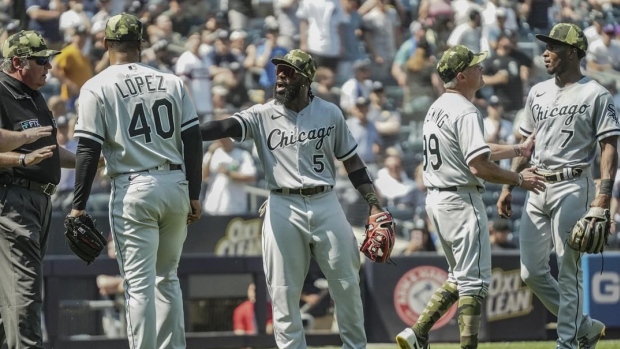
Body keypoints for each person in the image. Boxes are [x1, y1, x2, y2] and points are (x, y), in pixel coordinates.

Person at [200, 48, 385, 349]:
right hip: (282, 204)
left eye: (289, 72)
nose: (281, 77)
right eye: (279, 71)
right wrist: (188, 131)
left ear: (306, 79)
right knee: (283, 293)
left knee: (347, 284)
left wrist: (374, 204)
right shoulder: (262, 114)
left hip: (325, 200)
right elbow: (225, 126)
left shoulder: (330, 112)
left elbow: (352, 162)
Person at [395, 45, 547, 349]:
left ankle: (418, 331)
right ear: (462, 75)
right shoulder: (465, 110)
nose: (482, 69)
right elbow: (478, 165)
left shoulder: (438, 107)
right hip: (460, 200)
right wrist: (518, 178)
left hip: (438, 199)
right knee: (474, 282)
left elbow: (475, 150)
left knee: (460, 275)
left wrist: (518, 150)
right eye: (476, 65)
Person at [67, 13, 203, 349]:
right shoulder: (171, 81)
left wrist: (78, 205)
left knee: (139, 285)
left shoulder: (96, 86)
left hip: (134, 187)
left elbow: (87, 150)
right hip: (176, 185)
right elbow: (194, 140)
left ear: (105, 44)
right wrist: (195, 194)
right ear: (140, 44)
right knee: (167, 279)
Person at [497, 23, 619, 349]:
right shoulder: (537, 91)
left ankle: (567, 343)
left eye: (553, 47)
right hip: (536, 184)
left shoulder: (596, 93)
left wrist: (603, 199)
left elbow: (609, 145)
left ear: (573, 52)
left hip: (573, 184)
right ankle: (584, 326)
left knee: (569, 270)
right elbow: (526, 143)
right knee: (530, 273)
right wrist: (510, 185)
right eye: (545, 46)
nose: (545, 52)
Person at [0, 29, 78, 348]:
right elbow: (28, 151)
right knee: (24, 294)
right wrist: (20, 160)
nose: (49, 65)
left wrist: (93, 162)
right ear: (18, 62)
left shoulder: (34, 94)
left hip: (39, 200)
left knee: (12, 298)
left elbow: (50, 151)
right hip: (12, 199)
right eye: (41, 60)